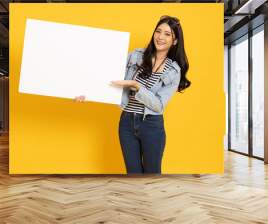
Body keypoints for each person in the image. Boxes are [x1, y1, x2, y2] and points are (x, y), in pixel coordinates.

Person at [74, 15, 190, 174]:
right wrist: (87, 93)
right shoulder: (136, 56)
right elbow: (109, 78)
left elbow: (158, 105)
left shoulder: (173, 71)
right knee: (133, 175)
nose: (161, 37)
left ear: (175, 41)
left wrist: (136, 85)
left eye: (167, 34)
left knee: (152, 175)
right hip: (127, 122)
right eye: (158, 31)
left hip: (151, 125)